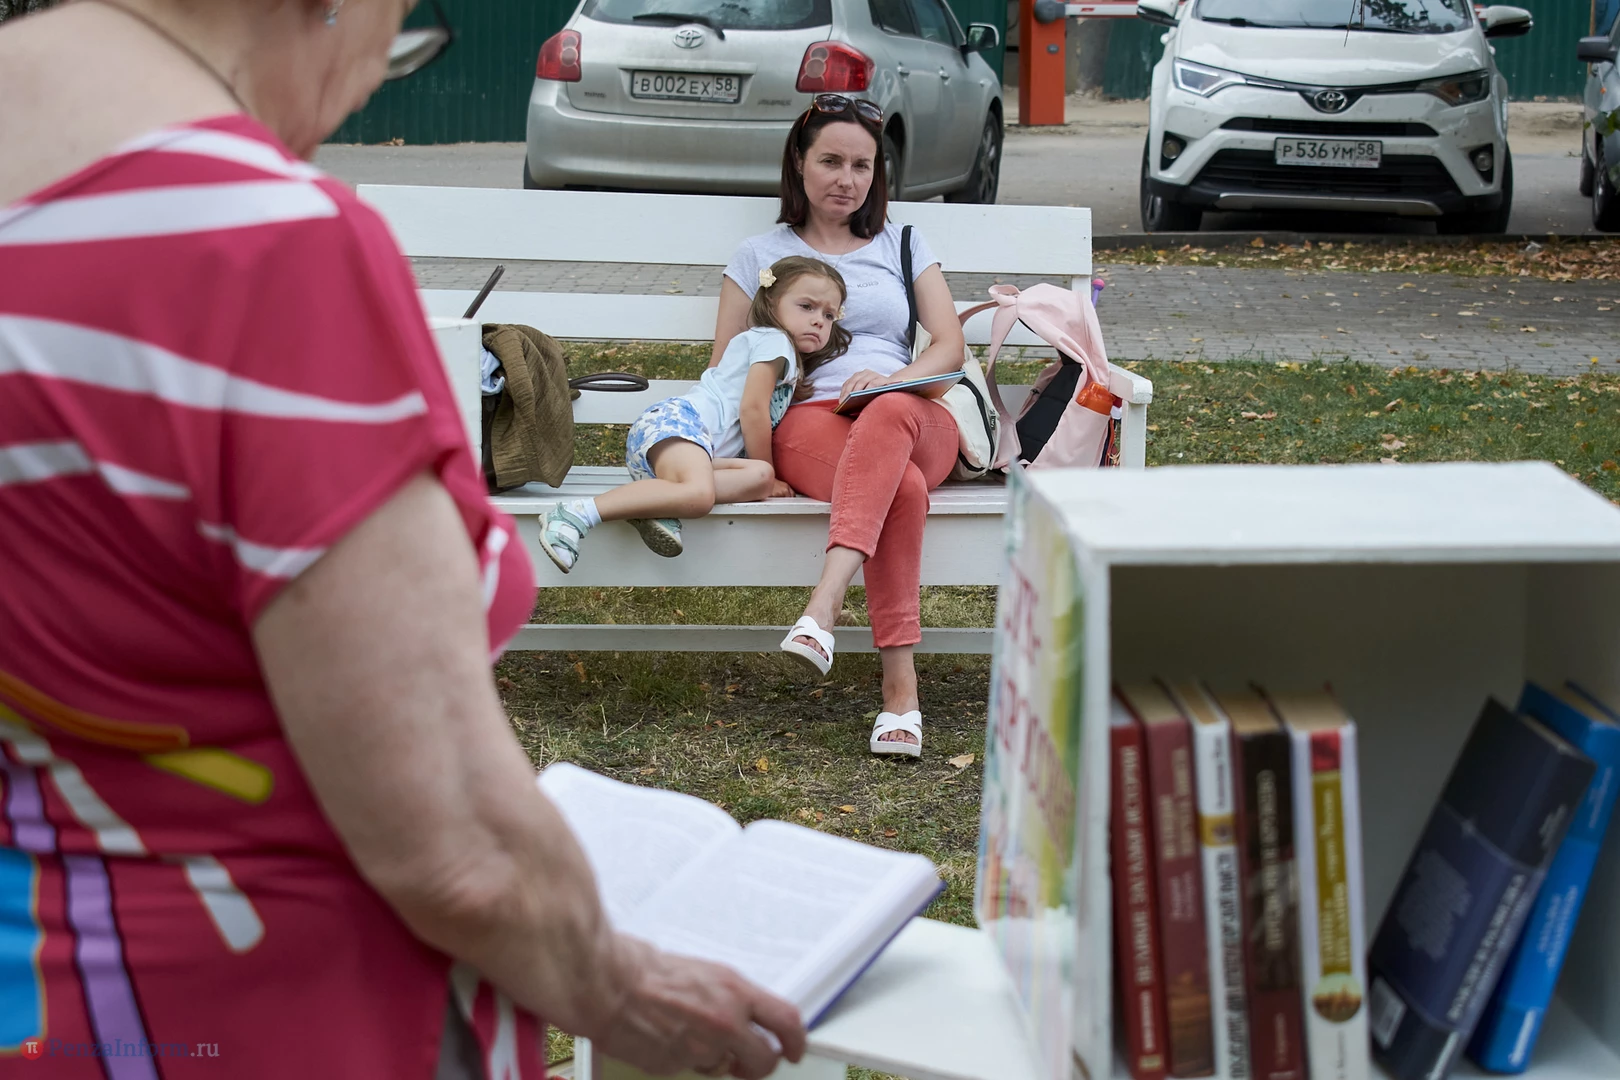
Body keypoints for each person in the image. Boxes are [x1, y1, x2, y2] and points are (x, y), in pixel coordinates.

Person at [0, 2, 805, 1078]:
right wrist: (616, 990)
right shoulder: (264, 246)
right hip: (275, 1017)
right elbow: (455, 851)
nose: (373, 74)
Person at [712, 95, 969, 760]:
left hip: (915, 414)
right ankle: (900, 694)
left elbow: (949, 347)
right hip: (812, 424)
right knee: (901, 490)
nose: (846, 179)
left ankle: (824, 604)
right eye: (830, 161)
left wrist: (890, 381)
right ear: (799, 163)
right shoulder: (758, 254)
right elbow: (727, 367)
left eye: (862, 165)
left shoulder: (902, 243)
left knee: (888, 413)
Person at [538, 256, 850, 574]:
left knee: (758, 477)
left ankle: (651, 503)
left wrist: (767, 475)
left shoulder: (778, 349)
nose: (819, 321)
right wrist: (772, 469)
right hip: (678, 426)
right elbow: (753, 409)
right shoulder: (774, 341)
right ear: (771, 302)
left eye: (829, 315)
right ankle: (575, 514)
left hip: (689, 450)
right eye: (806, 307)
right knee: (706, 494)